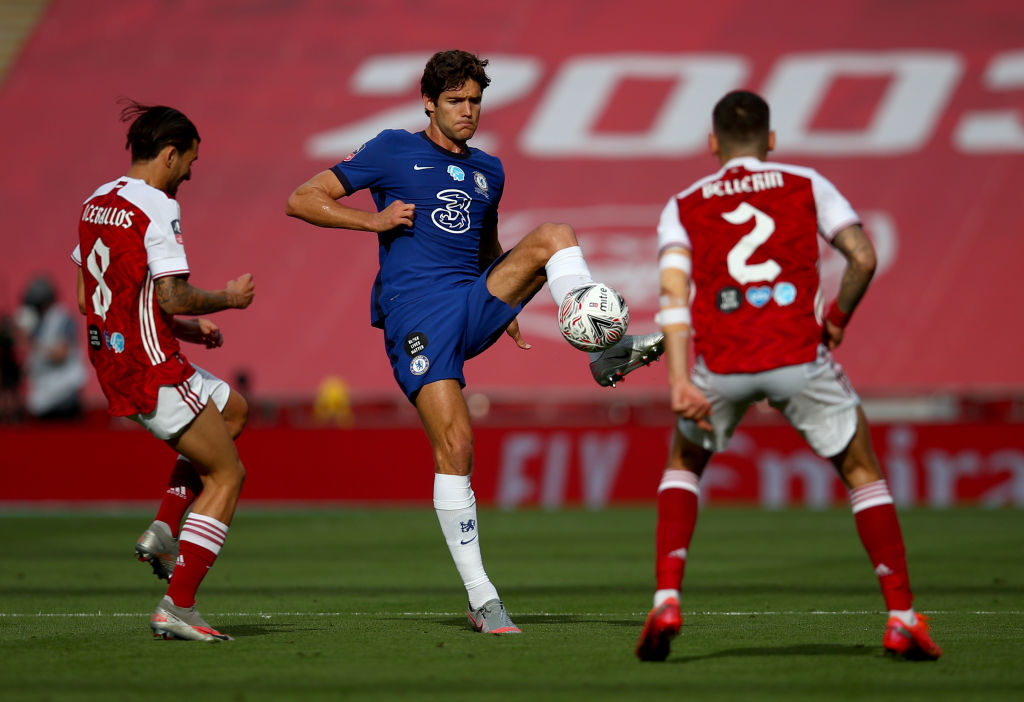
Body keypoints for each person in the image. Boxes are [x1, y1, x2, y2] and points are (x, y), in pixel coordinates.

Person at [286, 49, 662, 634]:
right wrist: (374, 221)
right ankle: (482, 595)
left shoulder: (490, 170)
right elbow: (303, 198)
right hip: (418, 314)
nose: (468, 111)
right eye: (456, 101)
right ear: (429, 103)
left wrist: (506, 302)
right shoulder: (391, 147)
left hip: (473, 301)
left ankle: (604, 349)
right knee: (458, 444)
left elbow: (488, 246)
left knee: (554, 236)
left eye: (475, 101)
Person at [634, 90, 941, 662]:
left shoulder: (684, 203)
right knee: (860, 469)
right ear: (771, 141)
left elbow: (674, 295)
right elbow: (864, 257)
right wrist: (837, 321)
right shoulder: (805, 182)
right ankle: (901, 617)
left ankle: (667, 599)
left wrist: (680, 379)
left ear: (712, 144)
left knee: (684, 465)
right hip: (798, 355)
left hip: (719, 364)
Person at [73, 100, 255, 641]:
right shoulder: (157, 205)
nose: (191, 174)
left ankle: (163, 526)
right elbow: (172, 295)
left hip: (113, 358)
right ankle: (178, 604)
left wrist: (185, 329)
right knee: (228, 474)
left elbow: (91, 298)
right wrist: (227, 298)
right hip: (153, 367)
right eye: (189, 162)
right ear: (170, 155)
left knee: (234, 413)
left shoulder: (94, 203)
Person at [18, 275, 86, 421]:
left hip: (63, 397)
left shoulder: (62, 318)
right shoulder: (39, 324)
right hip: (43, 398)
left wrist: (33, 343)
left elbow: (61, 354)